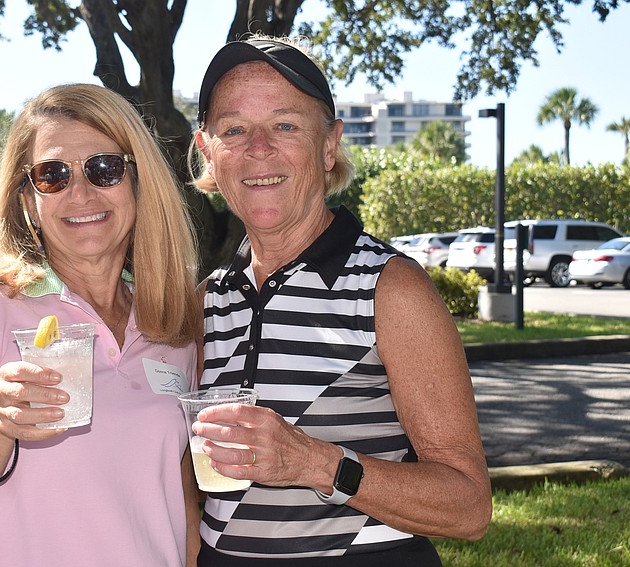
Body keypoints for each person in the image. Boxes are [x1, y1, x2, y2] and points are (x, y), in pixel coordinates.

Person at [187, 35, 492, 565]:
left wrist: (314, 463)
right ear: (208, 151)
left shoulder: (390, 289)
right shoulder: (207, 301)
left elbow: (468, 507)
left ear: (330, 145)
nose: (258, 148)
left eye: (286, 125)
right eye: (233, 129)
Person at [0, 83, 202, 566]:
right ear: (28, 200)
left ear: (139, 183)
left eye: (104, 169)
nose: (81, 193)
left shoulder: (172, 322)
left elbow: (181, 504)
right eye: (52, 175)